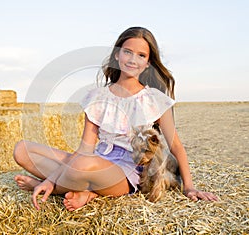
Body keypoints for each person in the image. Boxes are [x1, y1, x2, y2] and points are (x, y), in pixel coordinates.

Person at [14, 26, 218, 211]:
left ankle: (67, 189)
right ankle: (81, 189)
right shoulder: (97, 97)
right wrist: (51, 179)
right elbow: (85, 148)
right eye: (127, 52)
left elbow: (176, 147)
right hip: (96, 160)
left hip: (127, 171)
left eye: (141, 55)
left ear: (148, 63)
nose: (132, 59)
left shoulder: (155, 100)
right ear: (117, 55)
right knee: (22, 150)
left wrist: (189, 188)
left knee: (83, 165)